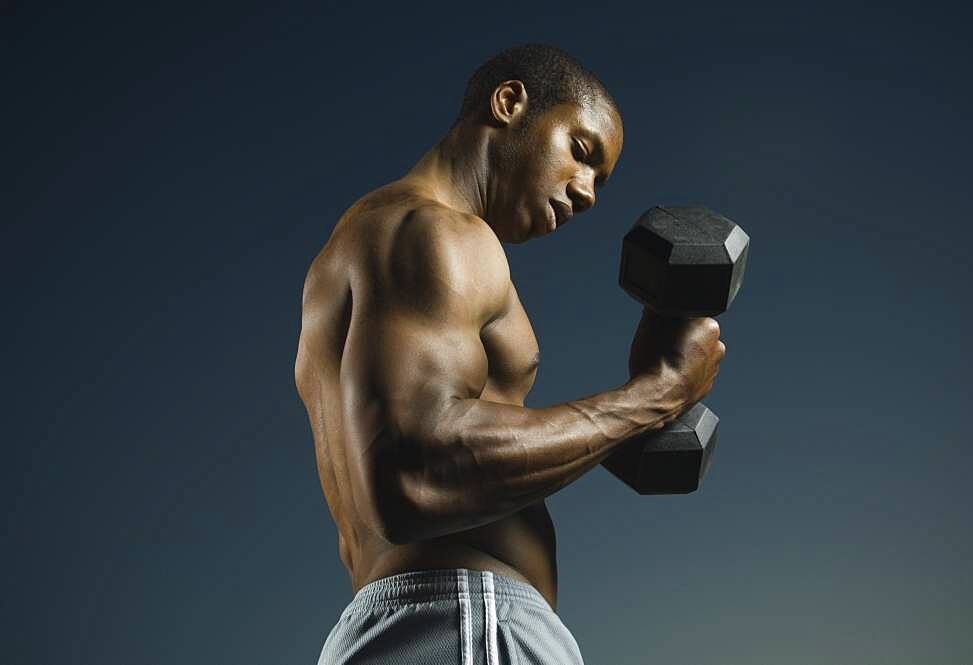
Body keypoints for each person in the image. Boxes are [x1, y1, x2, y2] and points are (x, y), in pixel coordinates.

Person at [294, 43, 725, 665]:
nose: (587, 194)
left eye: (601, 182)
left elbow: (424, 452)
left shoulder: (362, 245)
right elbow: (414, 476)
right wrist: (658, 394)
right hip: (466, 622)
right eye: (581, 153)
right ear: (509, 102)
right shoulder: (435, 233)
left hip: (398, 631)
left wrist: (616, 430)